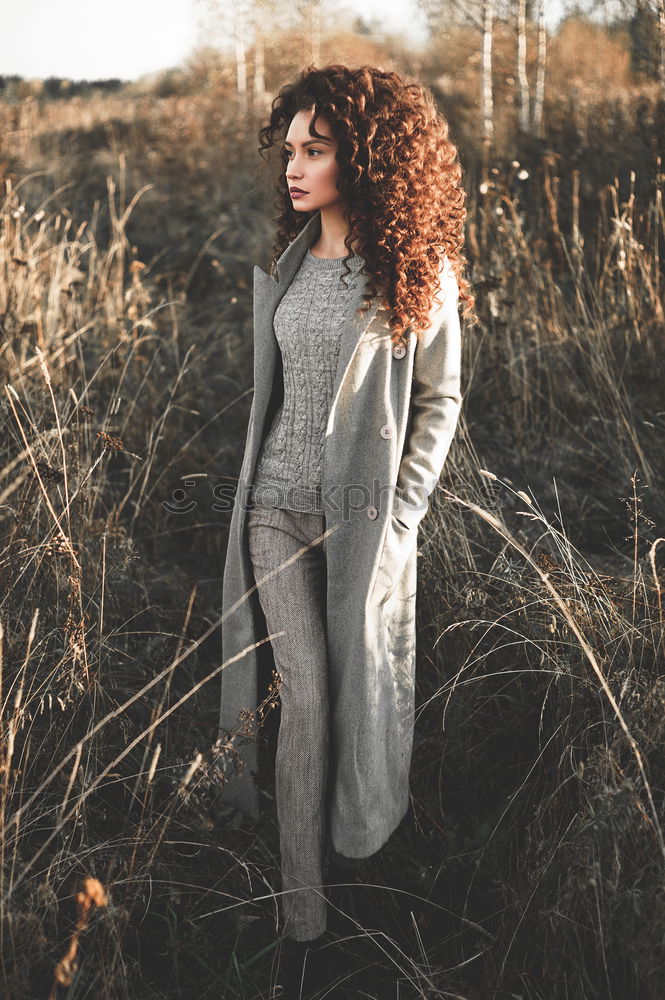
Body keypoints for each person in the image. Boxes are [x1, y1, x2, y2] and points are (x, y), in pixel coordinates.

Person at [216, 63, 474, 992]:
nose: (293, 168)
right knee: (306, 705)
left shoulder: (414, 269)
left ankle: (367, 869)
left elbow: (440, 399)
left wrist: (401, 515)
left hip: (362, 524)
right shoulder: (287, 265)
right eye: (288, 150)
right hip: (273, 513)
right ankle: (300, 922)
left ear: (361, 157)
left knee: (362, 702)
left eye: (315, 151)